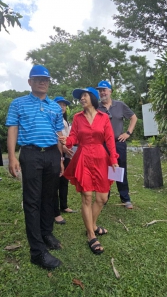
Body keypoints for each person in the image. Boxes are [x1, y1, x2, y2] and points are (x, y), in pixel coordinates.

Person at [6, 65, 64, 270]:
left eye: (46, 79)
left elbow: (59, 135)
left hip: (52, 154)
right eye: (38, 79)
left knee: (49, 196)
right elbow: (12, 129)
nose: (42, 82)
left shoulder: (55, 107)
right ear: (30, 81)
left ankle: (46, 233)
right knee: (32, 200)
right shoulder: (18, 103)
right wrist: (12, 156)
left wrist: (61, 159)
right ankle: (37, 252)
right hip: (30, 154)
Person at [60, 87, 118, 255]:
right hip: (84, 157)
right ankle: (91, 234)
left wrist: (113, 159)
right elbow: (74, 138)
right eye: (80, 97)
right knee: (86, 196)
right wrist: (67, 141)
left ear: (92, 97)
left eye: (84, 96)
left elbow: (110, 140)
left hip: (101, 158)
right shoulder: (78, 117)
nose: (81, 99)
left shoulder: (104, 117)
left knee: (102, 197)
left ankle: (91, 224)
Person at [95, 80, 137, 209]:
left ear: (110, 91)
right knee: (103, 170)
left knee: (120, 169)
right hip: (102, 144)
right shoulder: (96, 107)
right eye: (100, 90)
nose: (102, 92)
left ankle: (125, 198)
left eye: (104, 90)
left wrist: (128, 133)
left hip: (118, 143)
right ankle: (104, 197)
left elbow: (133, 117)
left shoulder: (120, 105)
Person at [52, 96, 77, 225]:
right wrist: (63, 149)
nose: (62, 107)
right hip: (57, 154)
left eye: (64, 105)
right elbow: (56, 138)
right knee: (55, 183)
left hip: (66, 155)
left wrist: (68, 149)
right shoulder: (53, 120)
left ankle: (64, 205)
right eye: (59, 104)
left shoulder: (65, 121)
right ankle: (55, 212)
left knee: (64, 181)